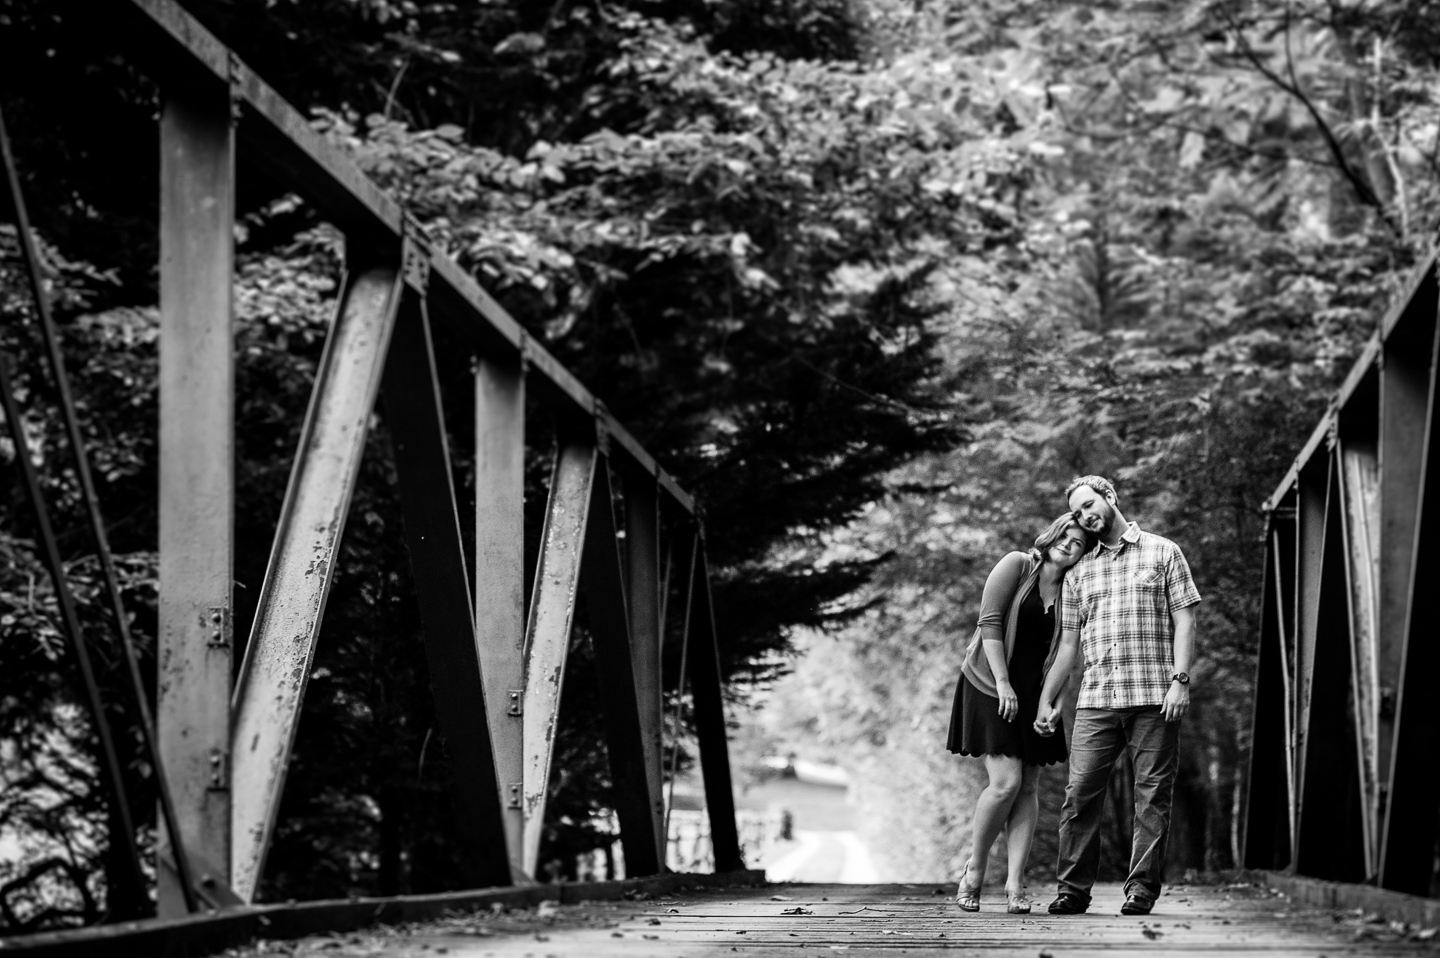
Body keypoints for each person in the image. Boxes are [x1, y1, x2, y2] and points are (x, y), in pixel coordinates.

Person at [1034, 475, 1200, 917]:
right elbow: (1068, 645)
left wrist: (1180, 681)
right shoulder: (1079, 571)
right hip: (1096, 700)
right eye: (1078, 511)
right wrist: (1048, 700)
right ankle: (1073, 890)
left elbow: (1185, 620)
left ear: (1110, 497)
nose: (1086, 515)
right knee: (1080, 794)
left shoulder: (1164, 551)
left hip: (1154, 697)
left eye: (1090, 504)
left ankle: (1141, 890)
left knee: (1152, 796)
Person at [946, 514, 1093, 914]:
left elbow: (1067, 650)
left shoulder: (1073, 589)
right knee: (1006, 783)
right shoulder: (1017, 564)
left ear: (1084, 552)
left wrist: (1052, 702)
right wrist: (1003, 684)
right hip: (989, 682)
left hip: (1035, 691)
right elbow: (989, 623)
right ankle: (974, 871)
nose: (1068, 544)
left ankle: (1015, 884)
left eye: (1078, 542)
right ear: (1051, 535)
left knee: (1028, 786)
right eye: (1064, 535)